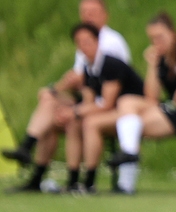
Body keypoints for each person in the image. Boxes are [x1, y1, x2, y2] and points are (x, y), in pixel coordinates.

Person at [3, 0, 131, 192]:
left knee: (71, 118)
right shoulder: (84, 42)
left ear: (105, 15)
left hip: (110, 105)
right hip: (90, 99)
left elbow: (102, 91)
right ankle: (31, 163)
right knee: (49, 102)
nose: (88, 16)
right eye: (84, 12)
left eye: (93, 12)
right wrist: (55, 90)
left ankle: (69, 177)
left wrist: (74, 108)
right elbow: (81, 82)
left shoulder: (110, 43)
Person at [106, 11, 176, 194]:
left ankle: (126, 181)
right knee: (127, 102)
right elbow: (151, 97)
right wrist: (152, 64)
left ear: (173, 33)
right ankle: (130, 155)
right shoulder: (161, 60)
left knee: (131, 126)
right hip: (173, 108)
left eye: (160, 37)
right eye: (152, 39)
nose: (156, 43)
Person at [44, 24, 144, 193]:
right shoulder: (87, 67)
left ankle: (89, 181)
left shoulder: (111, 64)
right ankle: (73, 180)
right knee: (74, 123)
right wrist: (71, 112)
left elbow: (107, 103)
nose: (84, 46)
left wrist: (75, 111)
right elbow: (89, 102)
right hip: (112, 110)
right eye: (79, 42)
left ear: (98, 42)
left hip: (131, 110)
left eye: (87, 41)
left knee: (91, 123)